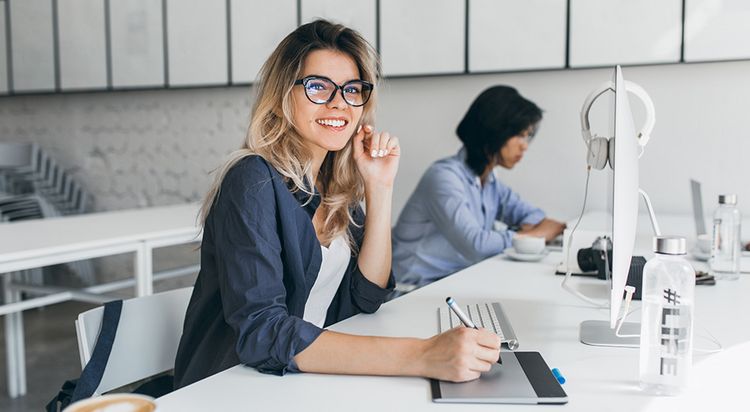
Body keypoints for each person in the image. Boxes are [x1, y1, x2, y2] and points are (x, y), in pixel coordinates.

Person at [173, 20, 501, 389]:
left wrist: (379, 187)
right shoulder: (253, 179)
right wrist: (422, 355)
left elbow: (367, 295)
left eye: (351, 90)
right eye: (318, 87)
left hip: (299, 380)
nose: (338, 103)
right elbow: (262, 332)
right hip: (230, 387)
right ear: (282, 97)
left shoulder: (332, 183)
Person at [392, 85, 566, 289]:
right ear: (495, 131)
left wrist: (534, 231)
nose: (524, 145)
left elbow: (535, 217)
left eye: (527, 136)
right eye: (519, 135)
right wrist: (533, 236)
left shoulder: (489, 180)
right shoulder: (443, 178)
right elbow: (477, 245)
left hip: (453, 283)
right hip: (411, 291)